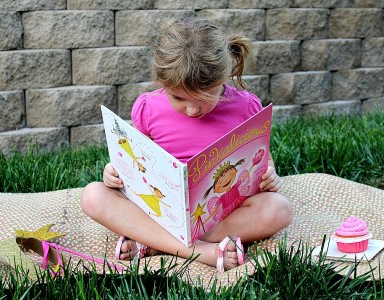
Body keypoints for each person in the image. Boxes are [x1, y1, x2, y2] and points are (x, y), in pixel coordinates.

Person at [80, 17, 293, 272]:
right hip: (160, 211)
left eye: (205, 97)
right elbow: (138, 161)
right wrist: (116, 173)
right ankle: (201, 250)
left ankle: (155, 243)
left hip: (219, 214)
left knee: (279, 209)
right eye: (178, 97)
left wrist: (270, 177)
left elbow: (263, 160)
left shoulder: (245, 108)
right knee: (92, 195)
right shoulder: (148, 108)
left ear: (222, 79)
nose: (192, 109)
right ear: (162, 82)